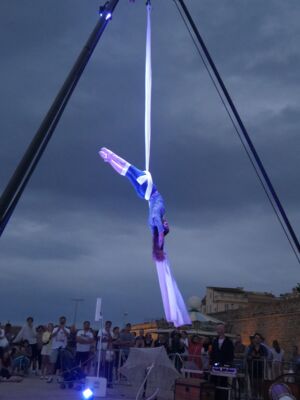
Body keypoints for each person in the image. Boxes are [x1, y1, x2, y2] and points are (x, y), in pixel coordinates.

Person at [99, 148, 169, 256]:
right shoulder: (152, 225)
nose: (167, 223)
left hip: (147, 188)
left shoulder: (157, 215)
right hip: (143, 194)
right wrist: (158, 247)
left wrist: (161, 247)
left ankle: (111, 156)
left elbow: (160, 234)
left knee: (129, 168)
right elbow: (157, 235)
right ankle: (110, 160)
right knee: (127, 173)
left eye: (166, 225)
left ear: (162, 227)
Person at [210, 324, 234, 400]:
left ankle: (223, 397)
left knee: (223, 381)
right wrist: (211, 363)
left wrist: (227, 363)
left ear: (224, 330)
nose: (219, 330)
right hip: (215, 364)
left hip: (224, 364)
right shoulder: (215, 341)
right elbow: (213, 353)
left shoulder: (229, 342)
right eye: (218, 329)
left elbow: (231, 354)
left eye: (220, 328)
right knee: (214, 381)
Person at [47, 316, 70, 383]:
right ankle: (50, 376)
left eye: (63, 321)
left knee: (61, 363)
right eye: (61, 321)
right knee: (52, 363)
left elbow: (68, 335)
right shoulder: (55, 329)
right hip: (55, 348)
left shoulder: (67, 329)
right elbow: (51, 336)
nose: (62, 322)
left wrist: (63, 329)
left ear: (65, 321)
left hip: (63, 348)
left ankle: (59, 377)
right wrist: (58, 329)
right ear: (59, 321)